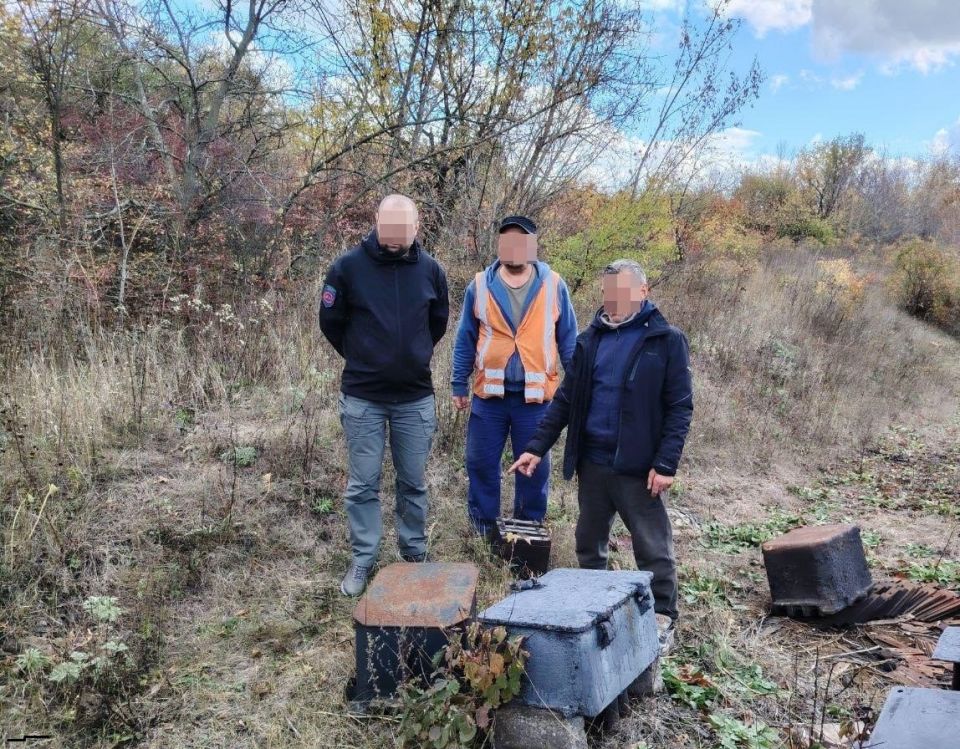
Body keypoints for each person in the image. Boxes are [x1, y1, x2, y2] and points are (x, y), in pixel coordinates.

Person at [509, 259, 693, 652]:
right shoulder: (589, 340)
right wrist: (535, 448)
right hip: (593, 463)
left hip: (639, 468)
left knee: (652, 545)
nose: (616, 298)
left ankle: (663, 616)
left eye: (625, 289)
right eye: (610, 290)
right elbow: (565, 401)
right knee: (589, 541)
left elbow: (680, 406)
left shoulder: (665, 340)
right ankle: (598, 607)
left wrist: (665, 464)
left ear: (643, 292)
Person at [319, 194, 449, 596]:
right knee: (363, 484)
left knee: (413, 482)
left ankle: (413, 555)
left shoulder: (431, 271)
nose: (397, 234)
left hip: (414, 398)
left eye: (404, 227)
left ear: (417, 226)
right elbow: (331, 322)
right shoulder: (346, 268)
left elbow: (438, 323)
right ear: (376, 220)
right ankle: (363, 559)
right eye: (389, 225)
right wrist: (365, 357)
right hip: (363, 398)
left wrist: (411, 356)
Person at [451, 215, 577, 536]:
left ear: (533, 246)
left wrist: (577, 388)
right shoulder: (479, 285)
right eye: (507, 239)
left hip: (535, 401)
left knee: (533, 469)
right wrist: (458, 382)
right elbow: (465, 337)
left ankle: (528, 532)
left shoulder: (554, 285)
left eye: (521, 240)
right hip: (488, 398)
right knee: (480, 464)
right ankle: (485, 533)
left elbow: (569, 341)